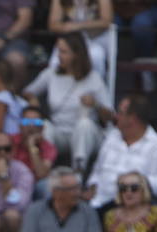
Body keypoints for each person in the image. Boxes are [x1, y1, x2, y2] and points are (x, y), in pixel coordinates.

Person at [23, 33, 111, 173]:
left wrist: (95, 105)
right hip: (59, 132)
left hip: (85, 134)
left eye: (63, 52)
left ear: (76, 54)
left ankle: (78, 172)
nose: (59, 56)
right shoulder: (51, 74)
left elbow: (111, 117)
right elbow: (27, 92)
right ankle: (44, 170)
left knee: (84, 124)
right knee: (44, 125)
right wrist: (32, 100)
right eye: (58, 51)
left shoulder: (93, 78)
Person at [85, 93, 157, 211]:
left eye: (120, 112)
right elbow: (97, 170)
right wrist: (92, 185)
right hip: (98, 204)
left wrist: (136, 181)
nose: (115, 116)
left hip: (132, 210)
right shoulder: (111, 137)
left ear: (132, 118)